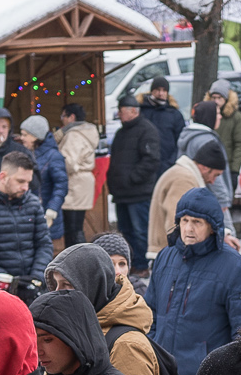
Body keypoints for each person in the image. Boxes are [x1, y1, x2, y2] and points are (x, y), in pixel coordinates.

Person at [147, 186, 241, 375]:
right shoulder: (165, 257)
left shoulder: (234, 266)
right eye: (184, 221)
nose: (189, 228)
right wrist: (152, 351)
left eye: (197, 222)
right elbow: (148, 314)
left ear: (212, 227)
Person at [46, 242, 163, 375]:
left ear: (92, 285)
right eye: (56, 285)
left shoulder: (128, 345)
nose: (57, 293)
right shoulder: (75, 328)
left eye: (66, 285)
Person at [0, 150, 50, 300]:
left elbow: (44, 244)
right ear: (3, 177)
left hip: (31, 287)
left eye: (28, 182)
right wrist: (3, 278)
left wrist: (36, 278)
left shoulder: (32, 202)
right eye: (20, 181)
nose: (26, 187)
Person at [105, 94, 163, 274]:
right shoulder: (122, 132)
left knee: (140, 232)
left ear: (132, 111)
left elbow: (151, 161)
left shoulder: (147, 130)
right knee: (125, 232)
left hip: (138, 192)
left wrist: (132, 178)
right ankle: (130, 264)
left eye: (121, 111)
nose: (119, 114)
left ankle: (143, 264)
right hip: (122, 193)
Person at [149, 140, 230, 257]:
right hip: (171, 254)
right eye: (215, 175)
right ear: (205, 168)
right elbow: (175, 222)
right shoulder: (184, 180)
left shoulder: (183, 175)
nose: (213, 181)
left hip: (169, 252)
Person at [55, 103, 101, 246]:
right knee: (76, 225)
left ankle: (76, 260)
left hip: (75, 183)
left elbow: (68, 162)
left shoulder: (74, 135)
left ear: (71, 117)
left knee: (73, 228)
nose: (62, 119)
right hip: (82, 183)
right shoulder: (87, 132)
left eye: (63, 116)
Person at [17, 115, 69, 225]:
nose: (22, 138)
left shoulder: (53, 156)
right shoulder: (26, 153)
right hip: (29, 215)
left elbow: (61, 185)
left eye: (25, 135)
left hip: (48, 216)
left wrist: (52, 208)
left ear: (36, 136)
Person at [139, 79, 186, 165]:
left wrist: (171, 162)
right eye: (158, 90)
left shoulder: (174, 114)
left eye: (164, 90)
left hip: (167, 164)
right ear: (152, 91)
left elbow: (180, 142)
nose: (161, 93)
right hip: (144, 164)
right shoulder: (141, 111)